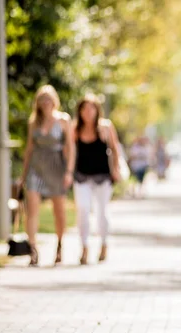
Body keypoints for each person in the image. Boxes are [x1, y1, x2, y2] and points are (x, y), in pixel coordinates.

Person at [21, 85, 75, 266]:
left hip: (56, 167)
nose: (45, 103)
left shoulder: (63, 120)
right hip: (36, 168)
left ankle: (59, 245)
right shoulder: (33, 122)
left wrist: (69, 171)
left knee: (58, 211)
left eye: (48, 98)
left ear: (54, 100)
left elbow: (70, 147)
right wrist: (23, 173)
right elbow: (29, 149)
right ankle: (33, 250)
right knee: (32, 210)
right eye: (42, 99)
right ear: (38, 102)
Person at [72, 94, 122, 265]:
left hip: (102, 176)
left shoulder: (106, 128)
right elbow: (71, 152)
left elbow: (115, 150)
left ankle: (104, 243)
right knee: (83, 210)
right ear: (80, 111)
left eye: (91, 108)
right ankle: (84, 246)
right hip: (81, 176)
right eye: (84, 108)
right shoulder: (76, 129)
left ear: (97, 110)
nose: (88, 112)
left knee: (102, 212)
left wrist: (116, 169)